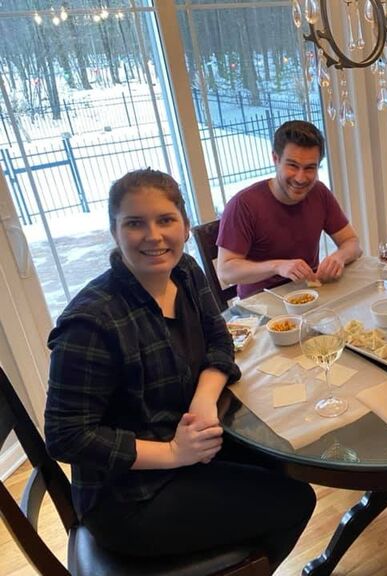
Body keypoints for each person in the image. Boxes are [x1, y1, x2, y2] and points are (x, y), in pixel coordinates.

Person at [45, 169, 316, 567]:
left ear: (185, 226)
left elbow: (220, 340)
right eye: (134, 223)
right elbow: (66, 436)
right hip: (130, 498)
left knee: (286, 460)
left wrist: (205, 399)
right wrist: (174, 452)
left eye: (165, 220)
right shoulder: (91, 322)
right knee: (296, 500)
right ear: (114, 232)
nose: (153, 236)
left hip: (191, 446)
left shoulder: (185, 272)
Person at [217, 120, 362, 298]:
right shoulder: (243, 205)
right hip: (260, 304)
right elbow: (225, 271)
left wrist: (339, 257)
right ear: (275, 159)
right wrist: (277, 266)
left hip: (309, 294)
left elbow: (353, 243)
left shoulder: (320, 193)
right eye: (292, 166)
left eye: (310, 168)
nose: (301, 178)